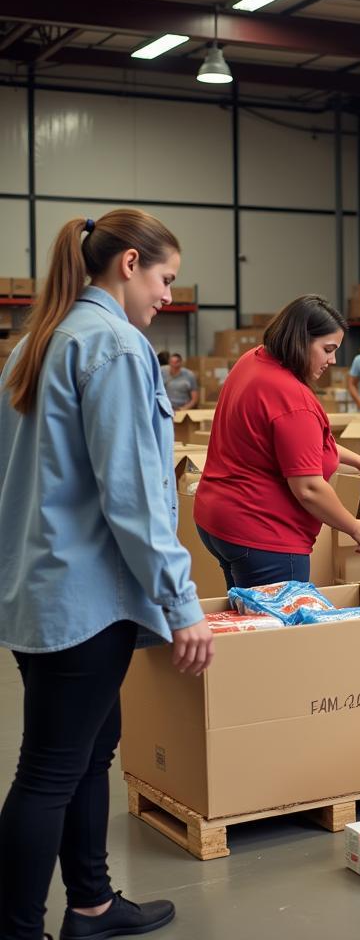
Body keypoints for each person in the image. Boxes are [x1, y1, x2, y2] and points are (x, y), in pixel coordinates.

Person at [0, 210, 214, 940]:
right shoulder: (115, 348)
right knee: (52, 771)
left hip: (40, 593)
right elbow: (135, 495)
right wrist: (181, 602)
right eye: (164, 279)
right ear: (128, 264)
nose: (167, 296)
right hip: (85, 599)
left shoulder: (34, 344)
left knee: (92, 751)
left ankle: (90, 905)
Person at [194, 296, 360, 589]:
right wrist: (355, 527)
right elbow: (309, 488)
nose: (333, 360)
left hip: (218, 520)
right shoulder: (291, 397)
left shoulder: (254, 360)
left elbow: (300, 445)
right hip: (264, 534)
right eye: (327, 350)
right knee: (280, 632)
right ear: (300, 341)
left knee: (249, 627)